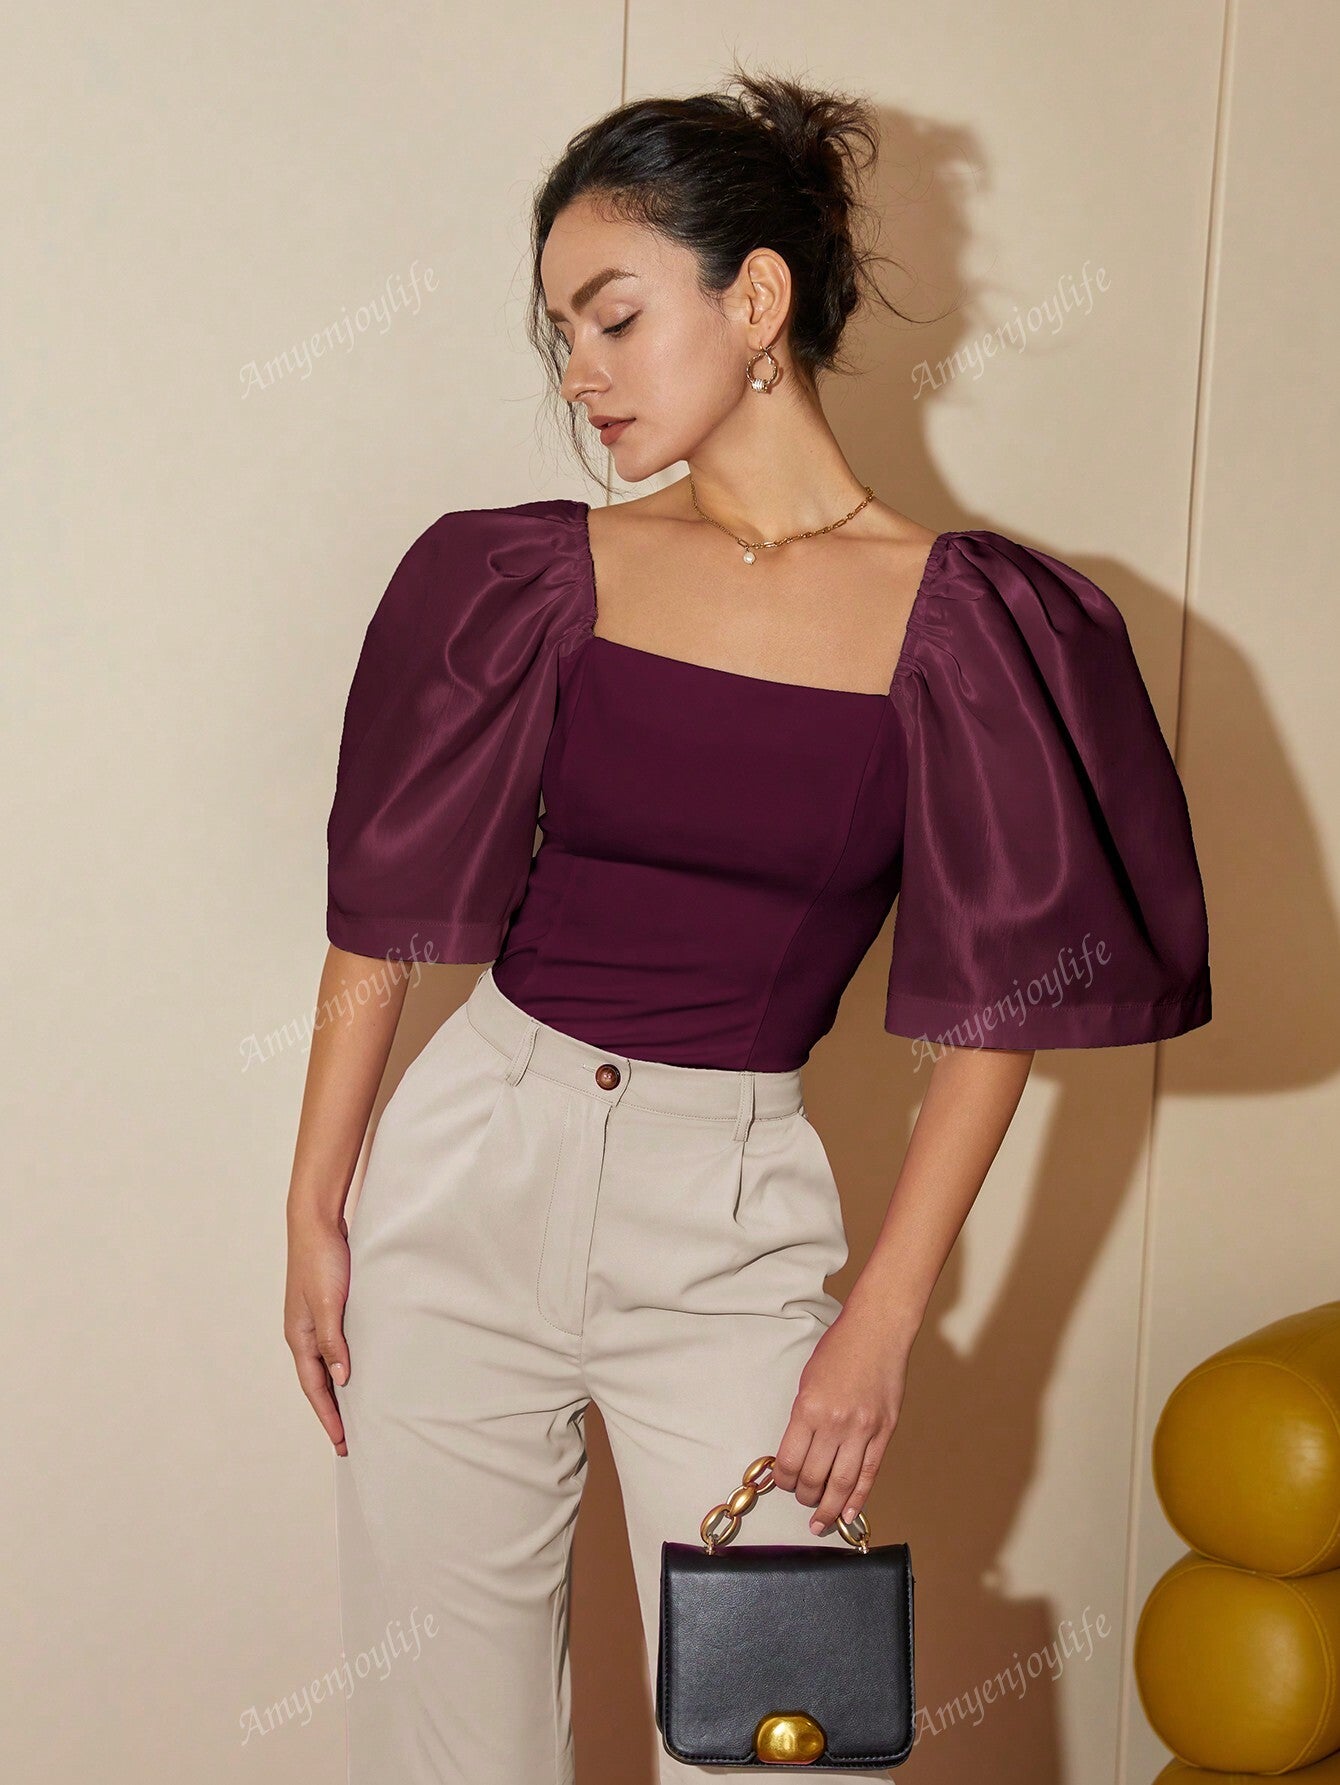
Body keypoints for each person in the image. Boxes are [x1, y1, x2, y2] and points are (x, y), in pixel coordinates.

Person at [284, 65, 1211, 1785]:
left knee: (793, 1744)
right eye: (562, 329)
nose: (579, 370)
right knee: (449, 1750)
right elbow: (384, 917)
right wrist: (315, 1200)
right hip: (466, 1180)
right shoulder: (536, 577)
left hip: (727, 1226)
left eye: (615, 315)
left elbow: (1000, 1013)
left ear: (758, 299)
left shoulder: (968, 626)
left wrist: (882, 1317)